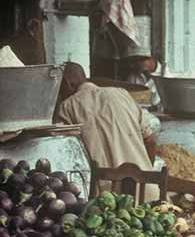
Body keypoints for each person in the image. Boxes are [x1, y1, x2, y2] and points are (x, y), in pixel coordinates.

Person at [56, 62, 160, 200]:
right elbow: (151, 141)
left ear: (67, 83)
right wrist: (145, 174)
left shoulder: (67, 107)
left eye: (58, 87)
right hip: (147, 194)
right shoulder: (122, 94)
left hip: (107, 203)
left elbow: (69, 157)